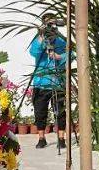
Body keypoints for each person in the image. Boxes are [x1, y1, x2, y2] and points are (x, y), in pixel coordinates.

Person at [29, 11, 69, 149]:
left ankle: (61, 138)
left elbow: (72, 54)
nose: (50, 26)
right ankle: (41, 138)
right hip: (41, 82)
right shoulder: (39, 39)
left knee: (61, 111)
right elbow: (33, 52)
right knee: (40, 112)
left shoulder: (61, 40)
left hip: (57, 82)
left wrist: (59, 57)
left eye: (52, 23)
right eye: (48, 23)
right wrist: (41, 35)